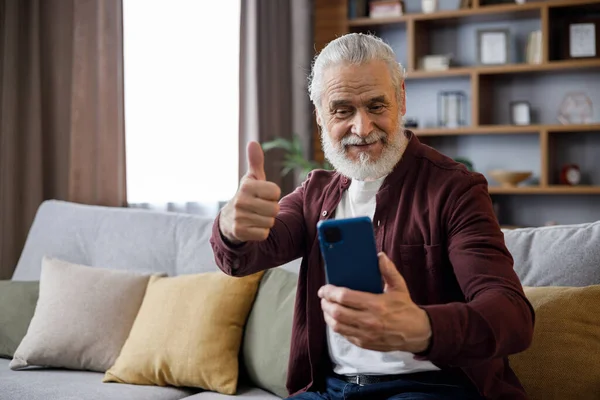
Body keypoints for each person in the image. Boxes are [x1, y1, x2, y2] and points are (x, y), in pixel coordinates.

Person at [210, 33, 535, 400]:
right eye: (342, 110)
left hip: (429, 388)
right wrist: (232, 227)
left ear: (401, 101)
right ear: (319, 116)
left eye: (376, 106)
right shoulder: (314, 193)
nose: (362, 128)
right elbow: (242, 258)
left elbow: (512, 315)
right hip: (330, 390)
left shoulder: (455, 189)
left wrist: (424, 329)